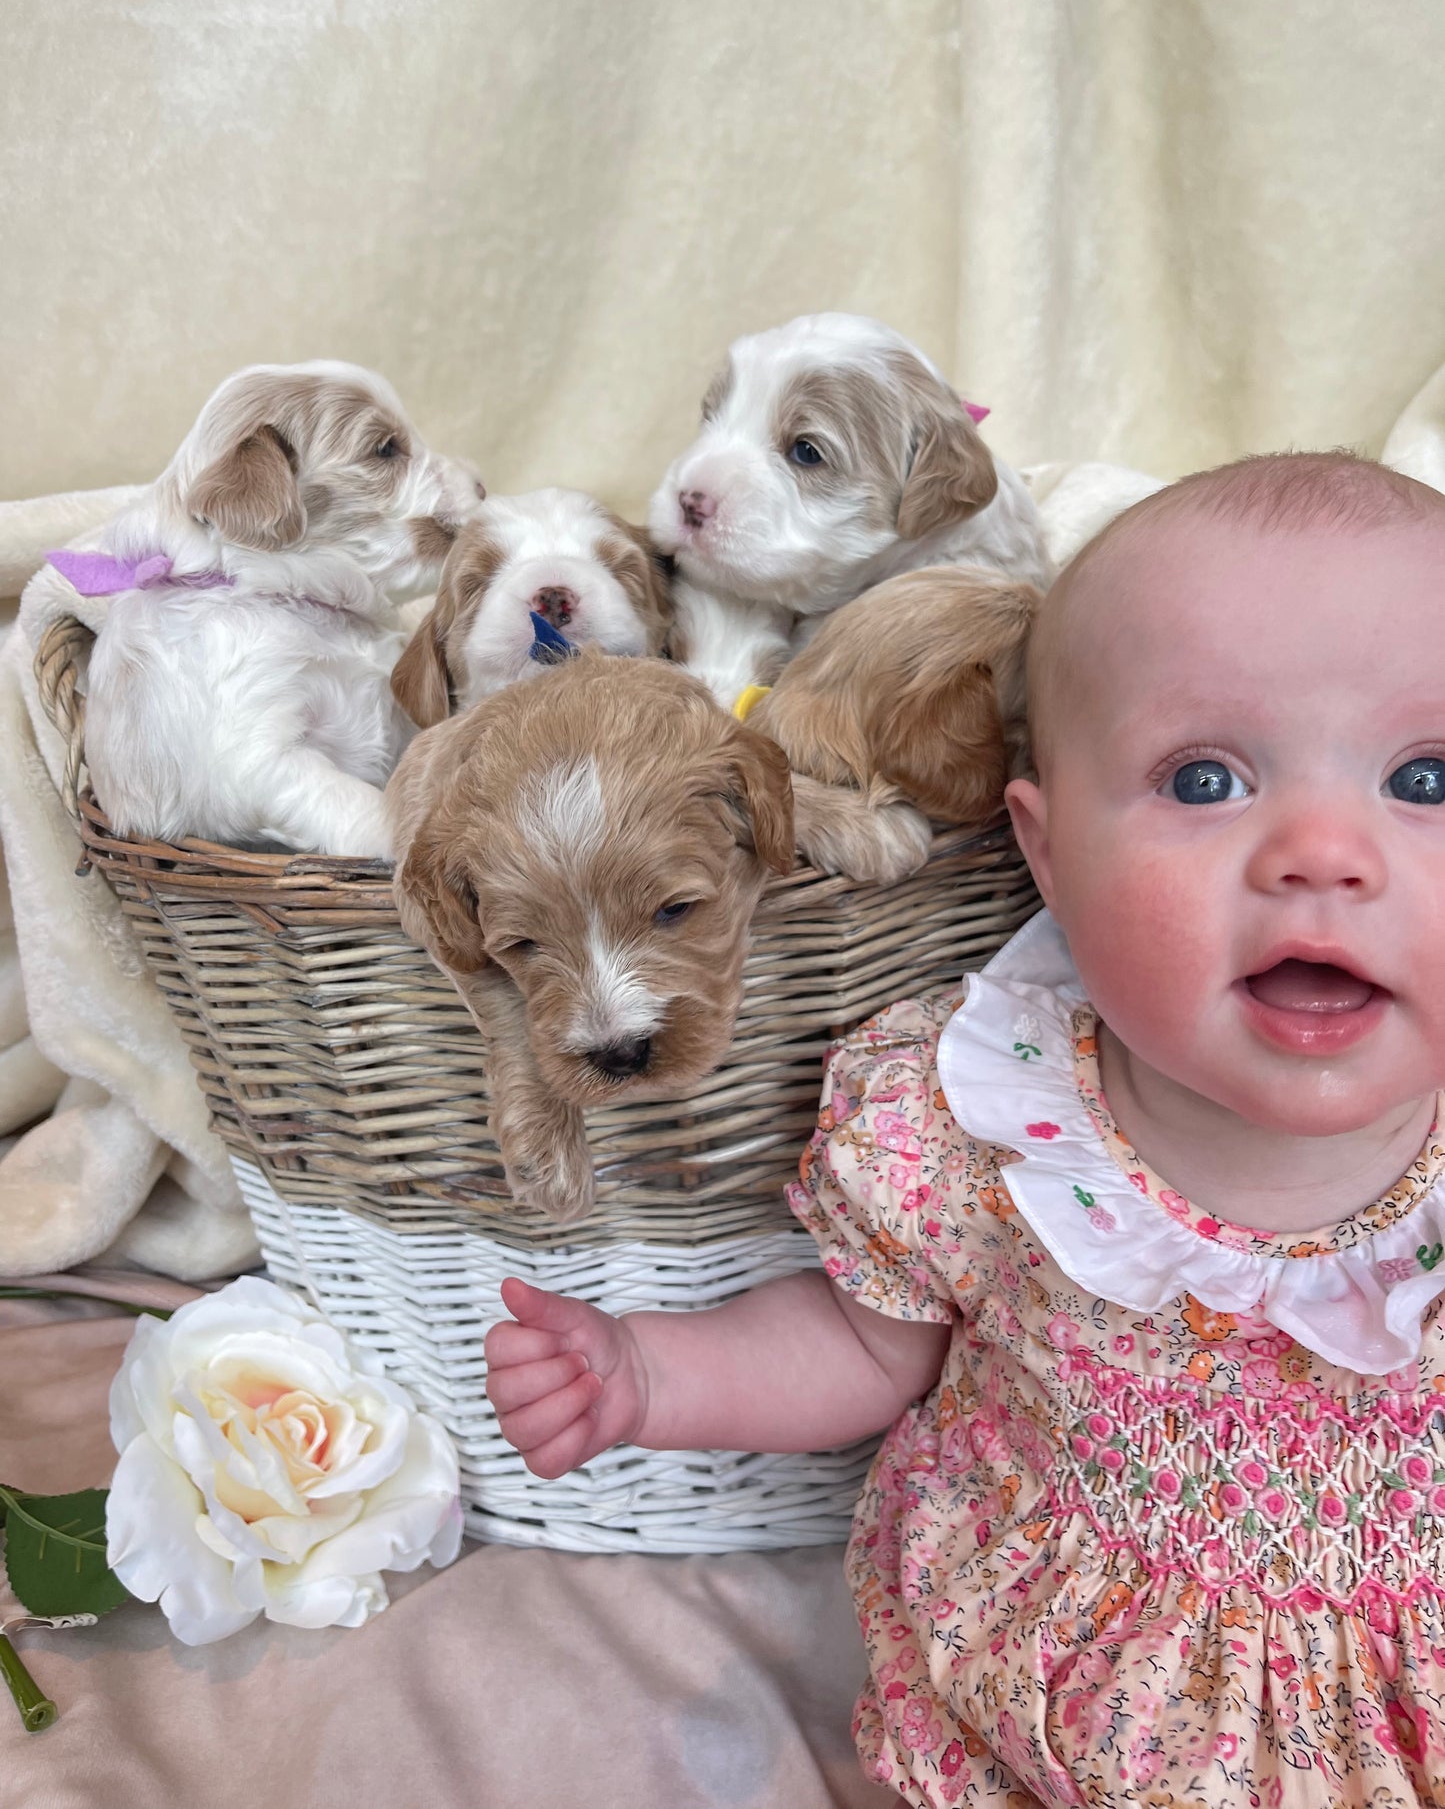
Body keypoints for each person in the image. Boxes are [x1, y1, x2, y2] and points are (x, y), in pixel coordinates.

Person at [484, 452, 1445, 1807]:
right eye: (1208, 781)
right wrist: (649, 1374)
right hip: (1095, 1715)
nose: (1322, 855)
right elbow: (857, 1346)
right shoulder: (979, 1125)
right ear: (1047, 857)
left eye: (1426, 781)